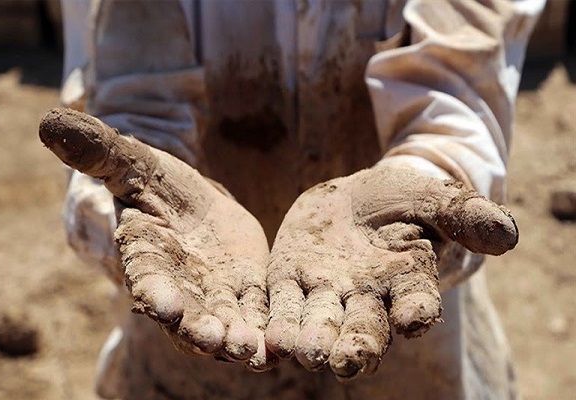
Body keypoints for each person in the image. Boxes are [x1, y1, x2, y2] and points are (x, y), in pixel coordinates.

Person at [49, 0, 545, 399]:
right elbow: (132, 106)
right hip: (193, 288)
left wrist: (419, 188)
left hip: (393, 279)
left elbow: (456, 92)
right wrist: (148, 194)